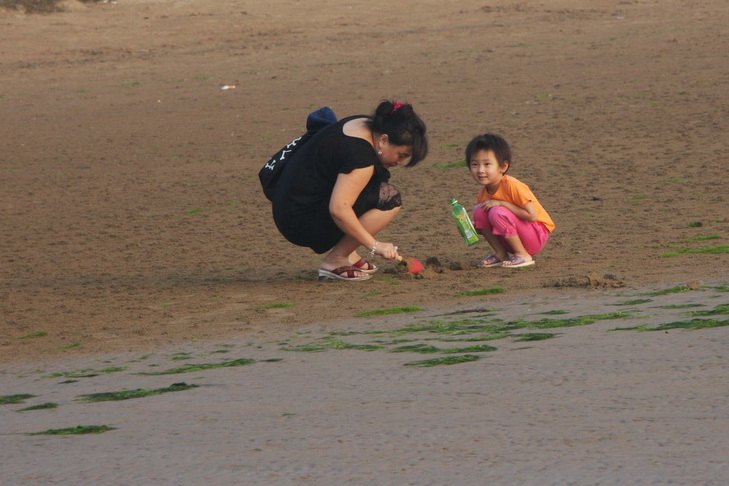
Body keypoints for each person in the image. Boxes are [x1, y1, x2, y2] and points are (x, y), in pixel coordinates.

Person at [270, 100, 428, 281]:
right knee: (390, 198)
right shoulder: (360, 156)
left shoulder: (362, 124)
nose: (400, 162)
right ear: (383, 139)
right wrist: (375, 246)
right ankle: (335, 261)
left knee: (370, 189)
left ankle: (347, 252)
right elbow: (339, 209)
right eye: (402, 155)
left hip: (288, 204)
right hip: (299, 221)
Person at [466, 133, 555, 268]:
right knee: (479, 211)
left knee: (496, 211)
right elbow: (488, 224)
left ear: (503, 166)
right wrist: (471, 227)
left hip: (536, 235)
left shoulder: (512, 185)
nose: (480, 170)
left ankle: (523, 255)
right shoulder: (484, 194)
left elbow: (532, 216)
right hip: (513, 238)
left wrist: (502, 203)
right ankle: (501, 253)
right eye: (475, 164)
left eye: (487, 164)